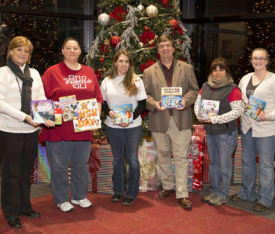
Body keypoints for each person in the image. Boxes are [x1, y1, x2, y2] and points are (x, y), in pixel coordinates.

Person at [0, 36, 54, 229]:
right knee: (11, 173)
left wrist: (45, 117)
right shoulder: (3, 72)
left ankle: (25, 206)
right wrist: (23, 116)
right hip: (8, 130)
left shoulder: (34, 72)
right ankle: (11, 212)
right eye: (19, 50)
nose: (23, 54)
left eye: (26, 51)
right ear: (11, 52)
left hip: (30, 130)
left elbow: (41, 98)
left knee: (26, 171)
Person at [41, 38, 103, 212]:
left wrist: (95, 118)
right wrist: (45, 117)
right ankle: (61, 199)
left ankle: (79, 196)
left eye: (75, 48)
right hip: (58, 129)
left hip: (83, 129)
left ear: (79, 51)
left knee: (80, 165)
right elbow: (41, 97)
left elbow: (98, 98)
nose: (72, 51)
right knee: (59, 167)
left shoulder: (89, 72)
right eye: (68, 48)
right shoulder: (52, 72)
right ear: (62, 51)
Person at [143, 35, 199, 210]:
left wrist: (185, 101)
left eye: (168, 45)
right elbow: (144, 96)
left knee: (181, 157)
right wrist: (154, 104)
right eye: (161, 46)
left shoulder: (186, 68)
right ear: (158, 50)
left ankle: (182, 193)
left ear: (174, 48)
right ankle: (168, 186)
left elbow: (194, 90)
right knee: (163, 154)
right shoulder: (149, 71)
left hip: (180, 120)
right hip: (159, 119)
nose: (165, 49)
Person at [231, 48, 275, 212]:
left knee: (265, 165)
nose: (258, 61)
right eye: (255, 58)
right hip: (247, 128)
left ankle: (264, 198)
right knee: (247, 162)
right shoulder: (246, 78)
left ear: (267, 60)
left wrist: (268, 115)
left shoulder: (274, 80)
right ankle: (247, 193)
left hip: (266, 130)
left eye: (261, 58)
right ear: (251, 60)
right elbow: (241, 101)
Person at [100, 50, 147, 205]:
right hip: (113, 125)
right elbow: (103, 102)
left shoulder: (136, 80)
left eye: (127, 61)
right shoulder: (107, 81)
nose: (123, 64)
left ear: (130, 64)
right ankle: (118, 191)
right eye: (121, 61)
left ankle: (132, 193)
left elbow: (142, 104)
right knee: (117, 159)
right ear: (115, 63)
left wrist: (130, 119)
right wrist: (111, 113)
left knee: (133, 159)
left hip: (132, 126)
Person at [194, 57, 243, 206]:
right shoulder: (206, 86)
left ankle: (223, 193)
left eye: (221, 69)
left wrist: (216, 119)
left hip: (226, 133)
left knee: (224, 165)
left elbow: (237, 111)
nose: (218, 72)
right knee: (213, 163)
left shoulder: (233, 89)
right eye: (215, 69)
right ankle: (215, 190)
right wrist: (199, 114)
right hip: (211, 132)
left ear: (226, 71)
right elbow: (198, 103)